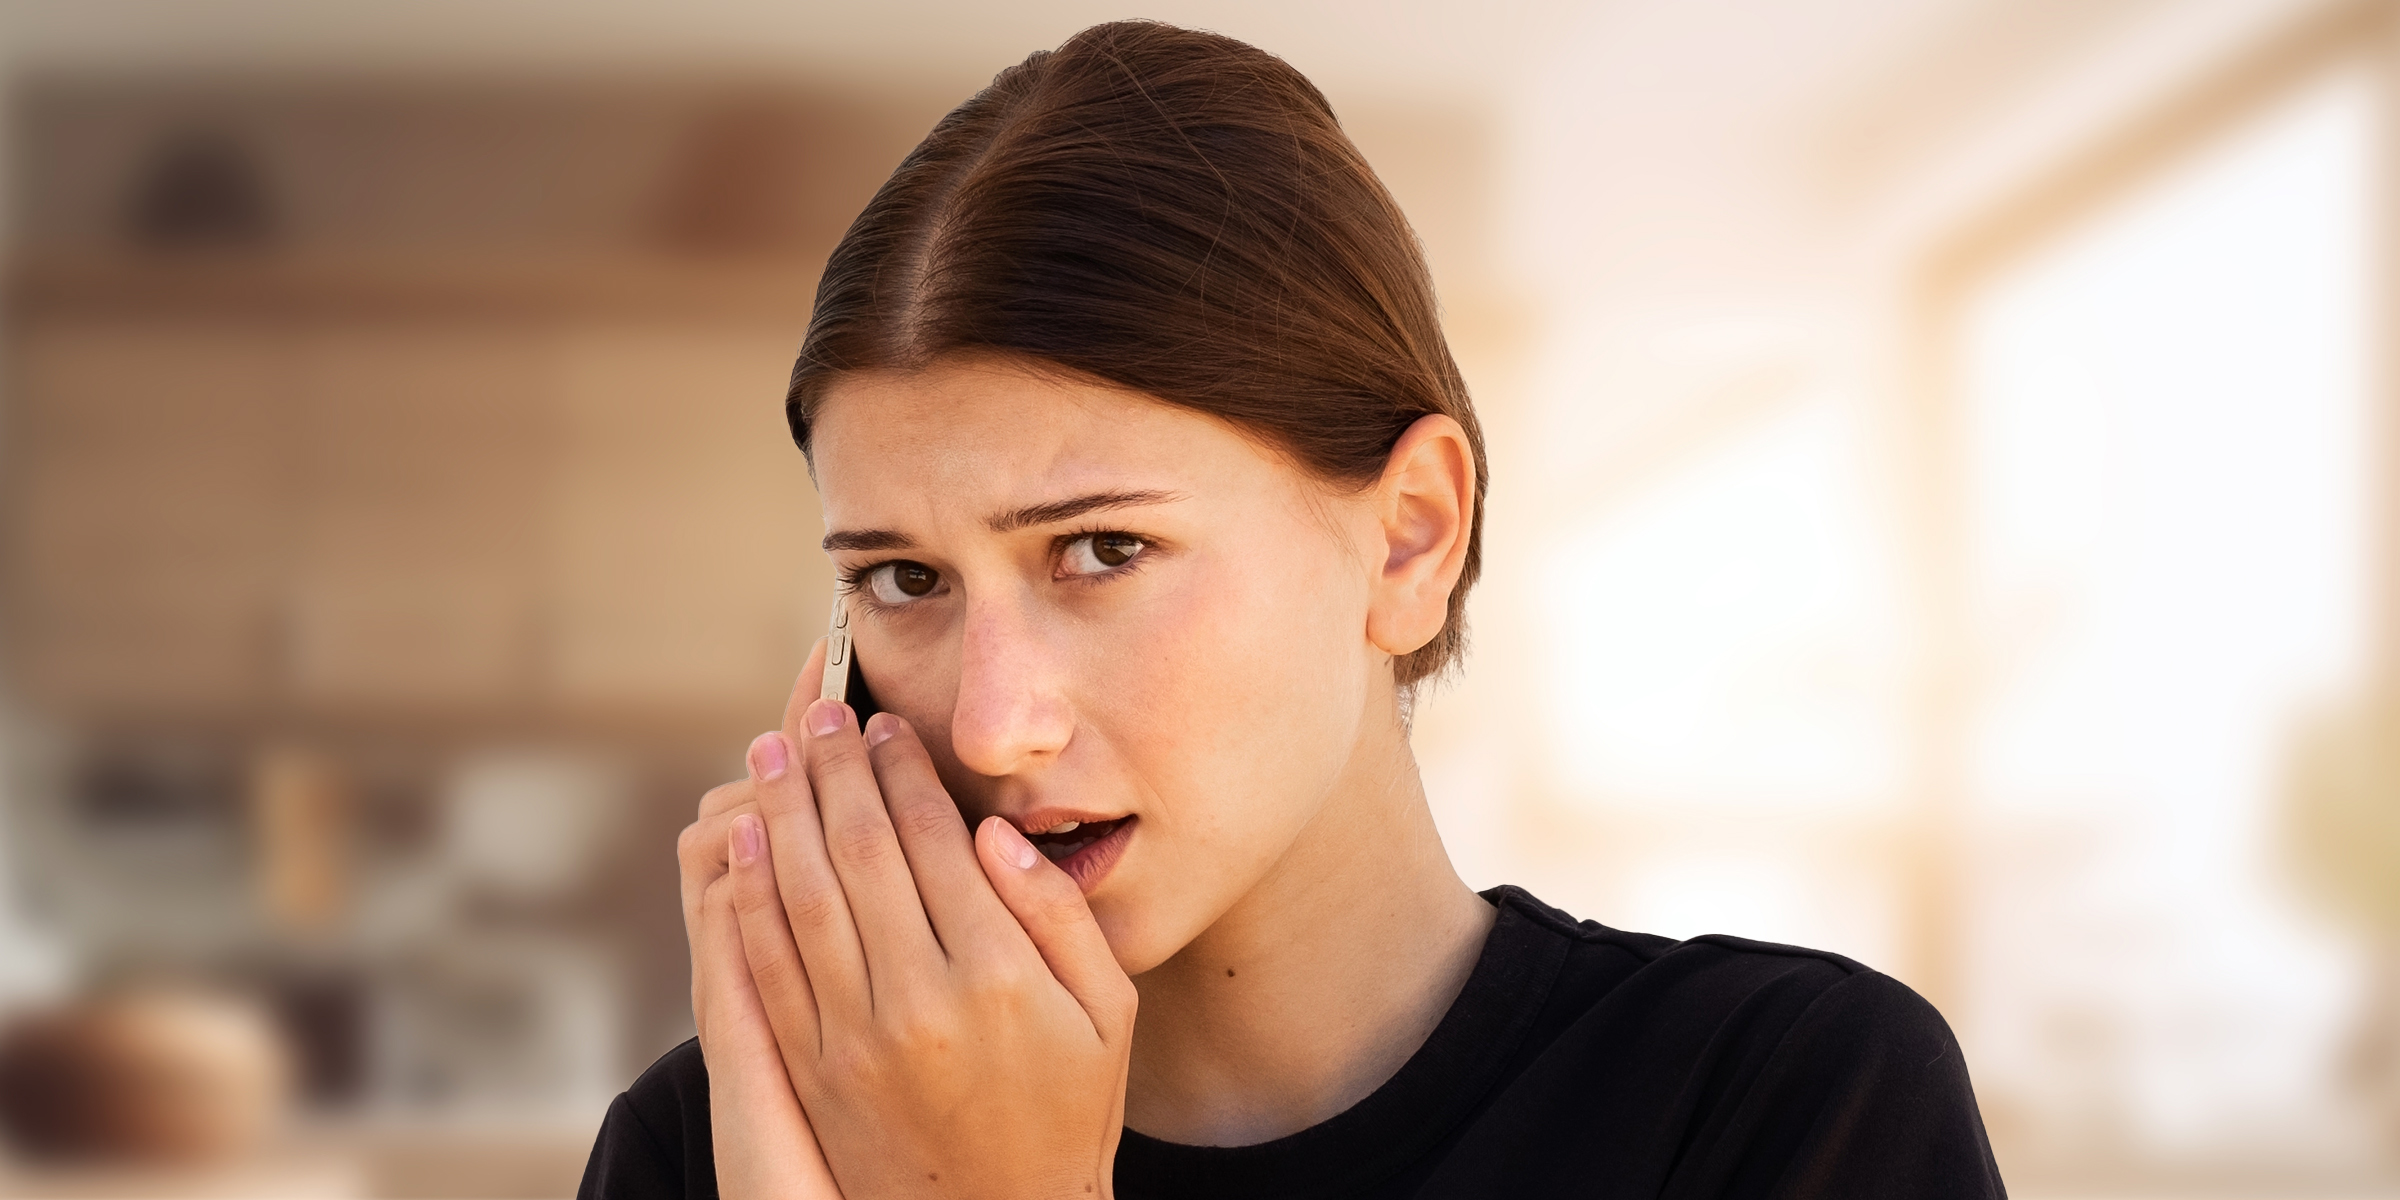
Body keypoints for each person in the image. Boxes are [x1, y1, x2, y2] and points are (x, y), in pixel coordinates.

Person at [578, 20, 2005, 1200]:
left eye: (1101, 550)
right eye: (903, 581)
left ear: (1408, 539)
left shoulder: (1786, 1105)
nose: (994, 723)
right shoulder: (718, 1146)